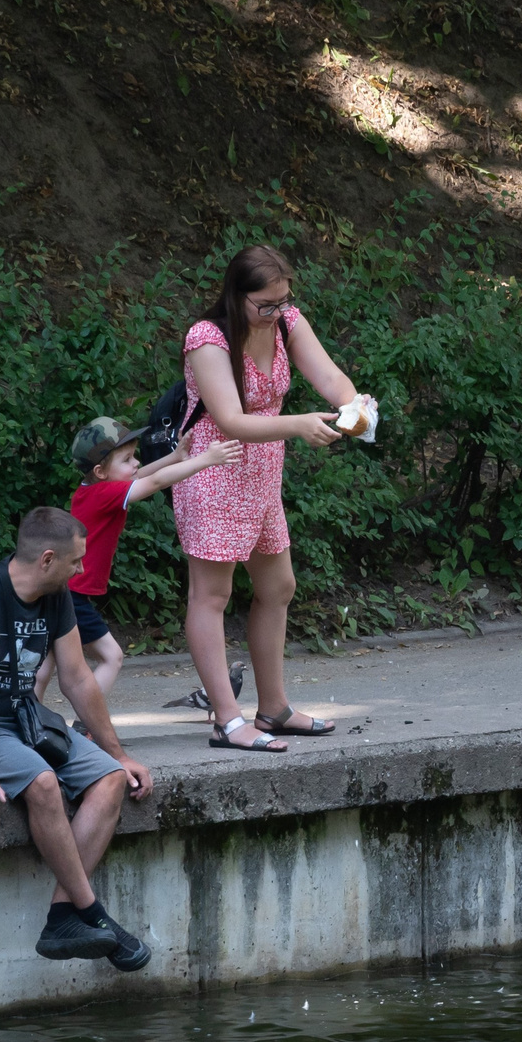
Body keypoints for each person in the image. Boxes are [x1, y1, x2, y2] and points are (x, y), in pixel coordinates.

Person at [0, 506, 153, 966]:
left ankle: (63, 913)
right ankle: (93, 913)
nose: (82, 569)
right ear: (47, 559)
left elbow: (79, 679)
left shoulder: (56, 595)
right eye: (75, 561)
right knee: (42, 782)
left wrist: (118, 754)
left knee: (110, 780)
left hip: (22, 722)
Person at [173, 244, 369, 752]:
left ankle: (274, 709)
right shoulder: (207, 338)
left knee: (279, 586)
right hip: (215, 472)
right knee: (211, 597)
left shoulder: (285, 321)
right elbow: (233, 420)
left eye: (284, 300)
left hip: (262, 478)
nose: (278, 311)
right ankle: (227, 720)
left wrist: (351, 406)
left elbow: (328, 377)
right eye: (267, 304)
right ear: (237, 297)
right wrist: (301, 425)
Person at [40, 416, 241, 712]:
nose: (135, 463)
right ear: (100, 471)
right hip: (73, 595)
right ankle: (87, 722)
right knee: (112, 657)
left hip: (63, 589)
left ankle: (23, 718)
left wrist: (174, 457)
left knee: (47, 660)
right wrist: (207, 460)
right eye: (126, 459)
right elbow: (155, 482)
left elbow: (140, 477)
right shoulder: (105, 493)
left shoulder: (93, 489)